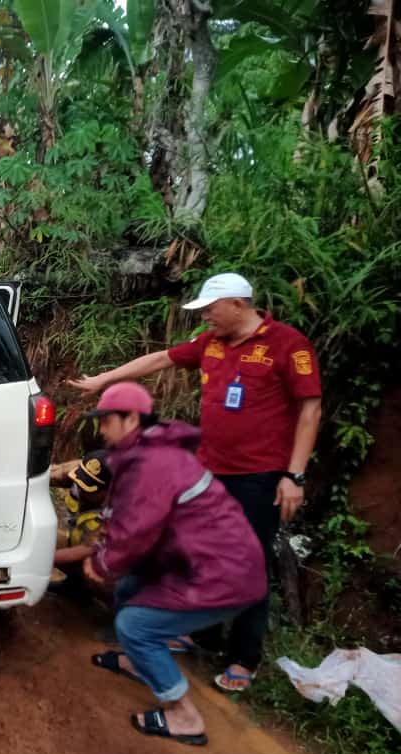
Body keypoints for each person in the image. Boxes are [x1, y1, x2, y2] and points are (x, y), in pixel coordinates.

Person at [68, 272, 322, 692]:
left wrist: (293, 475)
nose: (206, 317)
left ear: (238, 304)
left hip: (259, 477)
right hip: (208, 472)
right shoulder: (211, 343)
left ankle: (244, 657)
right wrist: (104, 380)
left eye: (211, 309)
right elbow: (159, 360)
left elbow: (310, 411)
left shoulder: (288, 345)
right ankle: (199, 632)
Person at [80, 382, 266, 745]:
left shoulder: (153, 463)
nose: (101, 429)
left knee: (135, 625)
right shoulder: (148, 453)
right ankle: (139, 662)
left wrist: (101, 564)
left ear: (132, 418)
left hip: (222, 575)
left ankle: (184, 714)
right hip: (202, 561)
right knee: (132, 585)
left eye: (106, 420)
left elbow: (136, 532)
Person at [49, 452, 112, 585]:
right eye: (79, 481)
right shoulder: (82, 474)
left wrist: (40, 559)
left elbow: (86, 549)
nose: (80, 489)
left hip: (102, 559)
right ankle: (74, 585)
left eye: (88, 488)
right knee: (40, 539)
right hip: (77, 539)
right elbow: (53, 473)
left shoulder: (123, 513)